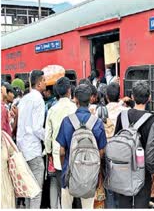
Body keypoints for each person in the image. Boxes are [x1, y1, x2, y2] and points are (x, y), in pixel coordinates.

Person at [56, 84, 107, 209]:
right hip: (90, 173)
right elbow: (101, 152)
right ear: (90, 99)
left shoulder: (67, 121)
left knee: (66, 206)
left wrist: (65, 167)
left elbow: (62, 152)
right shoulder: (97, 123)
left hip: (69, 172)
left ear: (75, 100)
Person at [114, 80, 154, 208]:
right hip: (143, 171)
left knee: (124, 204)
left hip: (123, 168)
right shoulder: (153, 120)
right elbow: (152, 152)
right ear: (149, 98)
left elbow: (116, 141)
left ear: (133, 97)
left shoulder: (122, 116)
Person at [45, 77, 77, 209]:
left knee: (62, 190)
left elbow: (48, 135)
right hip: (75, 154)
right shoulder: (75, 107)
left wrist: (49, 152)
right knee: (75, 191)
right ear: (69, 91)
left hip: (58, 157)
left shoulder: (52, 109)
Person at [16, 70, 46, 209]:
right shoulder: (38, 99)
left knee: (28, 190)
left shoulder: (24, 99)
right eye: (44, 81)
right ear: (39, 83)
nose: (46, 83)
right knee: (36, 192)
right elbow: (37, 128)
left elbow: (21, 127)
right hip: (33, 151)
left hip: (22, 151)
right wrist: (49, 139)